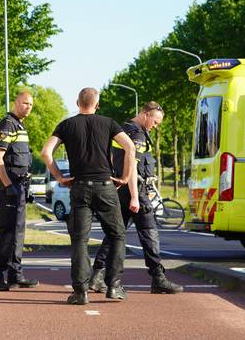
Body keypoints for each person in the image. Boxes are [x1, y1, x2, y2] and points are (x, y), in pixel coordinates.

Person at [41, 87, 137, 305]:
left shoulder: (66, 125)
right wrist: (124, 176)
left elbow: (46, 152)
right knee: (117, 235)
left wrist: (59, 177)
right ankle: (113, 286)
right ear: (97, 104)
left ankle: (80, 292)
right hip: (106, 186)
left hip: (80, 187)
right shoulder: (109, 123)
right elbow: (130, 147)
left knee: (80, 240)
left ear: (77, 102)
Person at [90, 102, 184, 294]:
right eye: (155, 122)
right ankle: (158, 278)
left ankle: (96, 276)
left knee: (114, 235)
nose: (155, 126)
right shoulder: (138, 135)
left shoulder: (122, 130)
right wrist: (135, 196)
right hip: (136, 192)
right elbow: (132, 166)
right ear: (145, 114)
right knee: (150, 234)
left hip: (122, 190)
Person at [0, 91, 39, 291]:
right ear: (15, 103)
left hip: (20, 185)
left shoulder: (20, 125)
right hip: (10, 185)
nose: (28, 107)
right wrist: (8, 186)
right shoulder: (7, 124)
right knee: (8, 232)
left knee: (18, 232)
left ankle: (15, 274)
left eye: (31, 104)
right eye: (25, 103)